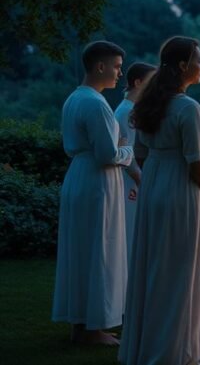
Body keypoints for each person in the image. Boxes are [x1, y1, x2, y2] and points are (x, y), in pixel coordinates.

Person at [120, 37, 200, 364]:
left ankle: (149, 346)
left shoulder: (149, 102)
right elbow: (196, 162)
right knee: (181, 272)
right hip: (181, 190)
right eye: (199, 59)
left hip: (155, 184)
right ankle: (176, 352)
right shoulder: (187, 107)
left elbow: (139, 153)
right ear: (183, 65)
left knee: (154, 268)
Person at [53, 41, 134, 346]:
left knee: (81, 250)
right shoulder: (96, 104)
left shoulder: (75, 98)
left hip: (79, 177)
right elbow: (107, 155)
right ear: (100, 66)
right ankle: (93, 326)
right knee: (100, 248)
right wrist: (129, 149)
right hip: (97, 182)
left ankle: (82, 322)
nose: (119, 73)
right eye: (115, 66)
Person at [113, 62, 156, 267]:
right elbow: (127, 153)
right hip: (130, 182)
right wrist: (142, 180)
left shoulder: (131, 111)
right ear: (138, 82)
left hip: (134, 178)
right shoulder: (127, 113)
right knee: (130, 229)